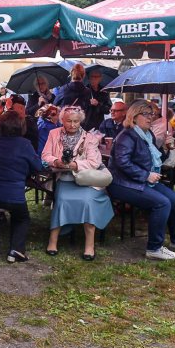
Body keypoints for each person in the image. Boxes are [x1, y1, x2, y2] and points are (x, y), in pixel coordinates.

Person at [107, 100, 175, 260]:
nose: (150, 117)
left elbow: (156, 159)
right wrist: (145, 175)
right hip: (122, 183)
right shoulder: (126, 135)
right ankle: (154, 248)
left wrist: (168, 148)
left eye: (151, 114)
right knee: (162, 203)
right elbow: (122, 162)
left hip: (143, 181)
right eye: (145, 114)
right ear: (133, 116)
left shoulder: (148, 135)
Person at [41, 106, 114, 260]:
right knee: (61, 200)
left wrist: (76, 165)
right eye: (69, 121)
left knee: (88, 201)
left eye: (76, 121)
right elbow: (45, 155)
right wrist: (57, 161)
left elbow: (94, 162)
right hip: (64, 178)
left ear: (81, 121)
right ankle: (52, 241)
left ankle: (89, 245)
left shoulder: (89, 137)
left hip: (86, 180)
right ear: (62, 120)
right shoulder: (54, 133)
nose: (72, 125)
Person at [0, 111, 44, 262]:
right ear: (21, 126)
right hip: (11, 197)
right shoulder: (25, 144)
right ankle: (16, 250)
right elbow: (38, 166)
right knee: (22, 217)